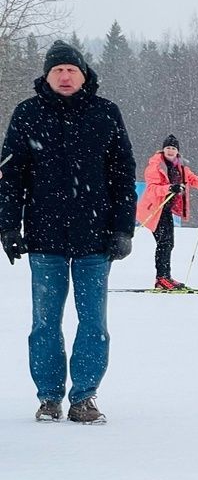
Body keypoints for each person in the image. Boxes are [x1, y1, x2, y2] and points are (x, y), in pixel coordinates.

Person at [0, 40, 137, 424]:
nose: (64, 76)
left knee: (93, 322)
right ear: (46, 75)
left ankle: (84, 397)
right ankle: (48, 397)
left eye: (71, 69)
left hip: (95, 239)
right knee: (45, 322)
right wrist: (8, 225)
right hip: (44, 239)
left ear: (84, 75)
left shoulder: (105, 114)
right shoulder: (27, 114)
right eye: (57, 69)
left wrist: (123, 228)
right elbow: (10, 177)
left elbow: (124, 175)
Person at [136, 134, 198, 290]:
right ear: (163, 150)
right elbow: (152, 189)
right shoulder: (155, 166)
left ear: (177, 151)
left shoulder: (180, 167)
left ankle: (165, 277)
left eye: (173, 148)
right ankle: (162, 279)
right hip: (154, 209)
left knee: (168, 243)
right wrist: (170, 188)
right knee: (164, 243)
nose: (171, 151)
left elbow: (193, 180)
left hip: (165, 210)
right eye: (168, 148)